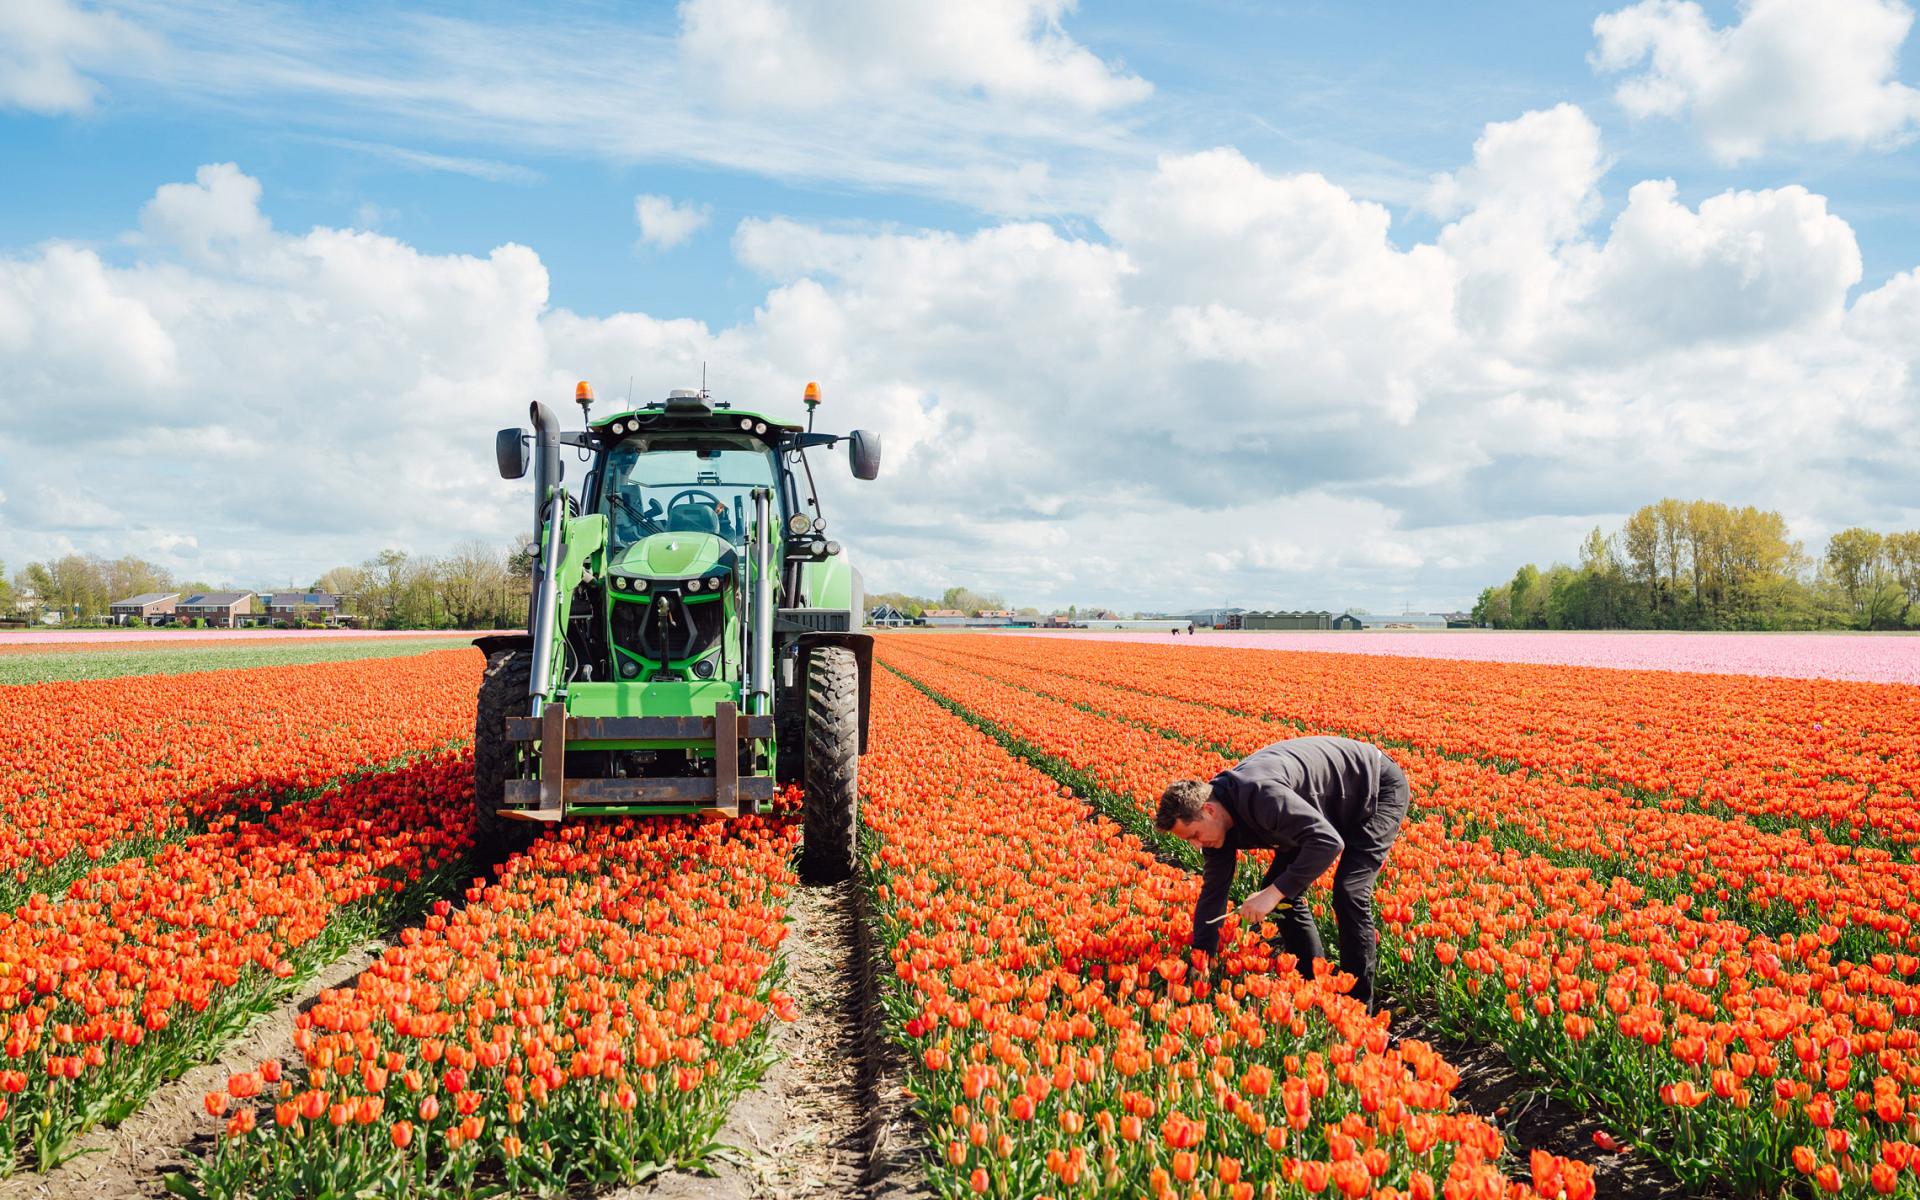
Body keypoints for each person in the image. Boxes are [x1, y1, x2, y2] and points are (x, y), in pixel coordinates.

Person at [1155, 735, 1408, 1010]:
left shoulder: (1261, 796)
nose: (1195, 844)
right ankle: (1314, 984)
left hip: (1373, 788)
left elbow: (1328, 842)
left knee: (1350, 890)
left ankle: (1357, 1008)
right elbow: (1214, 892)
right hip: (1318, 809)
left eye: (1194, 834)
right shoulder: (1215, 826)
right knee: (1283, 893)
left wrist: (1272, 894)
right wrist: (1202, 957)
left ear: (1209, 810)